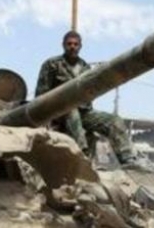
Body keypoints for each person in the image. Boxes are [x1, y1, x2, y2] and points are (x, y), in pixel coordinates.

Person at [36, 31, 145, 168]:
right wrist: (44, 119)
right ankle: (83, 156)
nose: (72, 47)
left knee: (114, 121)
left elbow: (90, 95)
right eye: (69, 44)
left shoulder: (86, 68)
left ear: (80, 46)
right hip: (59, 112)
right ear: (63, 45)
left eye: (76, 44)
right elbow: (41, 94)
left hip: (84, 112)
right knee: (72, 112)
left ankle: (127, 158)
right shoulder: (52, 65)